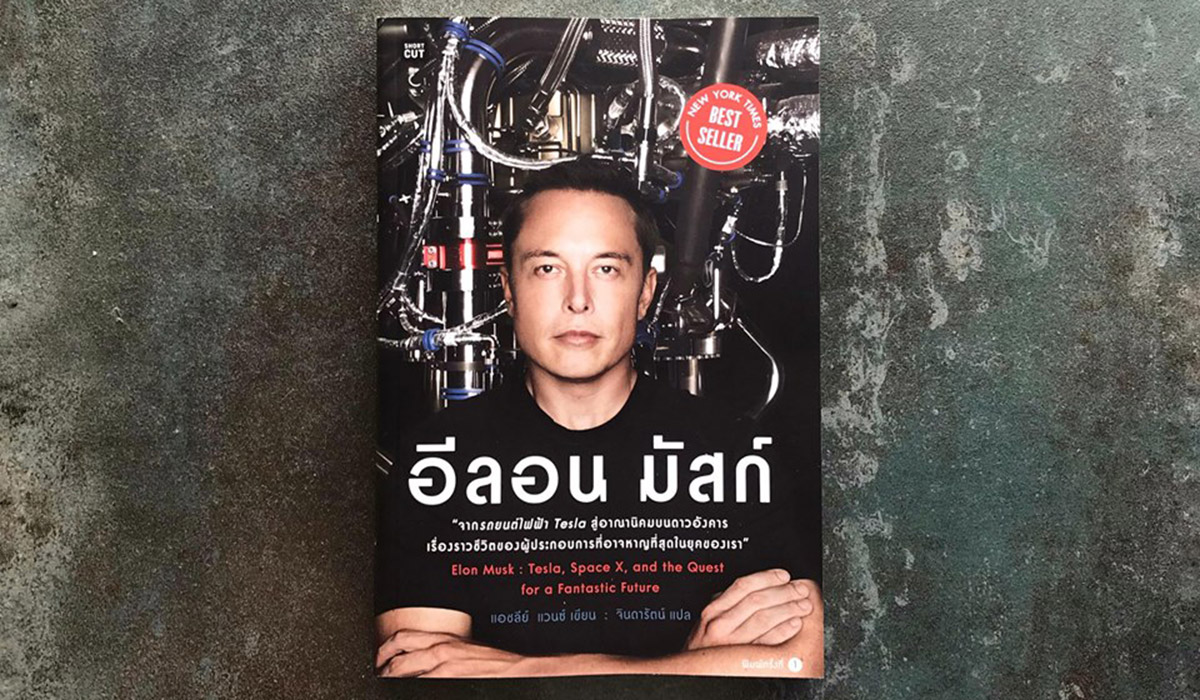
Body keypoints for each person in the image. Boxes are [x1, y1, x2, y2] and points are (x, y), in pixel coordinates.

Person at [374, 158, 823, 677]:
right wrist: (691, 666)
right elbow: (417, 671)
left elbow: (802, 658)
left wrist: (519, 670)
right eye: (547, 268)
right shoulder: (436, 459)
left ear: (645, 293)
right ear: (509, 290)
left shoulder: (735, 453)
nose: (578, 301)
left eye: (606, 269)